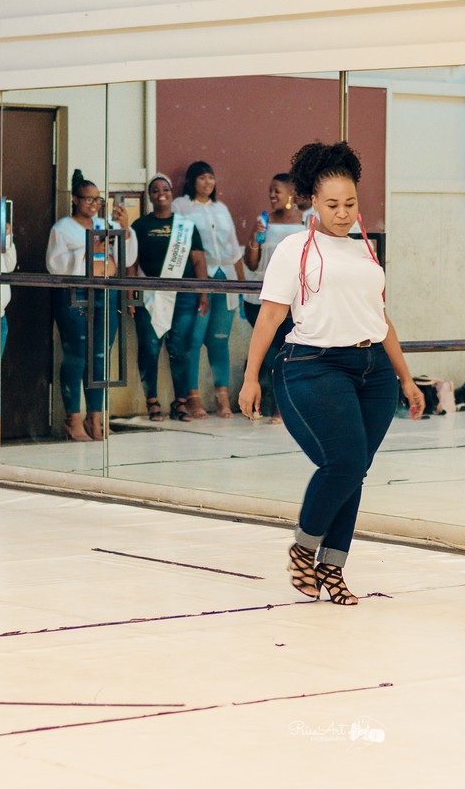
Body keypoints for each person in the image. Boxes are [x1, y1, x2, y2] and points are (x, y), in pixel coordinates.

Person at [238, 142, 425, 605]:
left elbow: (381, 317)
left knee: (356, 471)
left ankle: (332, 567)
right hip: (314, 366)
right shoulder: (293, 249)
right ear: (313, 203)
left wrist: (405, 377)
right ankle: (304, 548)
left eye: (350, 204)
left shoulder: (365, 250)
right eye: (332, 205)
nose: (343, 214)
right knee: (343, 464)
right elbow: (270, 316)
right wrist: (250, 376)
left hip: (374, 372)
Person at [46, 169, 133, 441]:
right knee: (77, 355)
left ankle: (96, 417)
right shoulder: (62, 228)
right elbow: (55, 265)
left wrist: (124, 229)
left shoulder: (104, 223)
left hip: (105, 292)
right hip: (77, 293)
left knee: (101, 355)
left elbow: (127, 258)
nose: (94, 205)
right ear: (75, 199)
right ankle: (72, 419)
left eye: (98, 200)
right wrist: (90, 249)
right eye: (88, 199)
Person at [131, 174, 209, 421]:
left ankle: (180, 402)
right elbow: (131, 263)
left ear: (172, 193)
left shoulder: (186, 226)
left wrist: (203, 292)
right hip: (150, 296)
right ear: (150, 196)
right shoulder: (140, 226)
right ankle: (152, 401)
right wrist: (131, 294)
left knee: (181, 349)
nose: (161, 193)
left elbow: (198, 260)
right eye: (155, 190)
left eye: (165, 189)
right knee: (149, 348)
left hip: (184, 296)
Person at [172, 161, 243, 419]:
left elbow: (233, 247)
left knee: (219, 340)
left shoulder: (220, 208)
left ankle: (221, 397)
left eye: (211, 177)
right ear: (192, 181)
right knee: (193, 340)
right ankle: (193, 398)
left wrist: (242, 285)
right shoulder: (181, 206)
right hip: (199, 278)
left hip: (225, 277)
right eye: (202, 177)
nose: (207, 182)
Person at [241, 173, 305, 423]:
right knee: (269, 355)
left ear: (291, 193)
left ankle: (283, 408)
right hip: (264, 300)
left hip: (293, 301)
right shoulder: (264, 221)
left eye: (277, 191)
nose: (272, 195)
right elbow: (251, 263)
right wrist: (254, 238)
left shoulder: (305, 222)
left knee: (287, 354)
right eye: (270, 191)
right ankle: (268, 404)